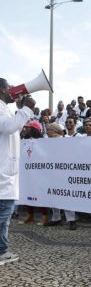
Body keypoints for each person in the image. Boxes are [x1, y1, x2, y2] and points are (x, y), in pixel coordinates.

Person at [0, 78, 35, 265]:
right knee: (2, 217)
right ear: (1, 90)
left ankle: (2, 251)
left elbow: (14, 127)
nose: (12, 90)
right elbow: (8, 126)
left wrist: (22, 110)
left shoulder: (5, 109)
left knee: (3, 219)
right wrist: (27, 109)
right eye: (9, 88)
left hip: (5, 175)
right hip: (2, 178)